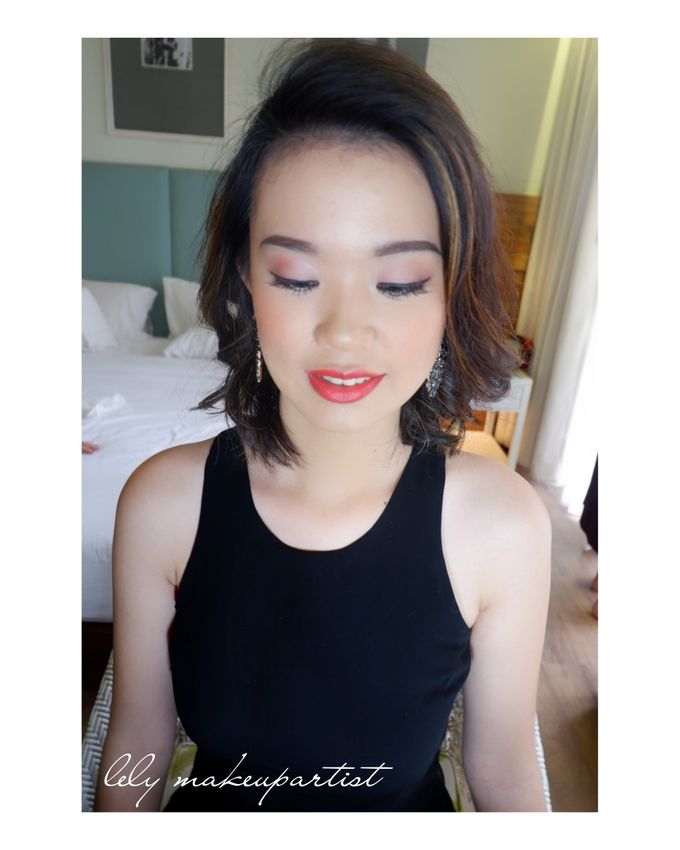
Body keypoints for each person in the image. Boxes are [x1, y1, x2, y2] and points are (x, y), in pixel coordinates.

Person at [94, 39, 551, 812]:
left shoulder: (501, 524)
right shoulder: (164, 505)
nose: (344, 330)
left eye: (398, 282)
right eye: (298, 277)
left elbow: (504, 772)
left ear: (451, 293)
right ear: (245, 279)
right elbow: (138, 740)